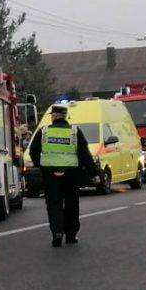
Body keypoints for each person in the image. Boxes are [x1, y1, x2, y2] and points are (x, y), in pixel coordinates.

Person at [28, 103, 100, 246]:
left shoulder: (44, 131)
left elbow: (33, 152)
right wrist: (94, 174)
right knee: (72, 204)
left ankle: (57, 233)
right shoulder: (74, 131)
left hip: (50, 174)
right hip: (71, 174)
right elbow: (85, 154)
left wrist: (42, 166)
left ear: (54, 117)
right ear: (65, 116)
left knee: (54, 204)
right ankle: (71, 235)